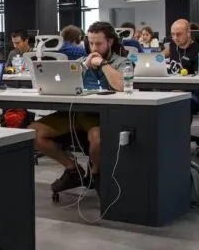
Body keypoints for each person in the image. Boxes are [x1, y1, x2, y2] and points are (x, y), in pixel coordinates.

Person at [31, 21, 130, 195]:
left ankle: (96, 173)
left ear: (110, 42)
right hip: (74, 113)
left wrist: (103, 64)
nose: (94, 47)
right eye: (90, 43)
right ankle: (72, 169)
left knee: (97, 138)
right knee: (33, 132)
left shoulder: (123, 62)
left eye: (98, 43)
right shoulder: (81, 61)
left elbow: (122, 86)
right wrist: (84, 65)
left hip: (100, 115)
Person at [163, 19, 199, 115]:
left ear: (188, 33)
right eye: (172, 34)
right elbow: (158, 58)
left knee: (179, 104)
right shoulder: (173, 45)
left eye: (178, 34)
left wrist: (181, 90)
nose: (175, 38)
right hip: (172, 89)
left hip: (190, 93)